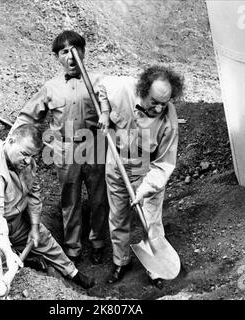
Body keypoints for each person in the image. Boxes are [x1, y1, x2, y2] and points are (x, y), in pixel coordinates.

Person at [0, 124, 95, 289]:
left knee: (43, 237)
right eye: (25, 153)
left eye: (32, 156)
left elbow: (33, 193)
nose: (28, 160)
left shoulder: (25, 161)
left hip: (12, 217)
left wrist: (34, 227)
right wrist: (9, 254)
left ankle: (72, 272)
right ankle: (23, 259)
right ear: (10, 141)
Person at [8, 30, 109, 265]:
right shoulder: (50, 87)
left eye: (76, 50)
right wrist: (13, 138)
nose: (71, 56)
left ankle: (97, 243)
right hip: (65, 150)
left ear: (84, 52)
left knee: (98, 198)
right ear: (57, 57)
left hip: (95, 146)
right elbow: (28, 115)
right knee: (69, 200)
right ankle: (72, 248)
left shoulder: (99, 82)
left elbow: (118, 107)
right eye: (65, 52)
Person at [98, 65, 184, 289]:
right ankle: (120, 261)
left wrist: (145, 189)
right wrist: (105, 113)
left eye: (163, 103)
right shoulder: (123, 88)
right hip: (116, 160)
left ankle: (155, 267)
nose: (157, 108)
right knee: (118, 215)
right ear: (143, 90)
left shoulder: (169, 122)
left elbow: (164, 164)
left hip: (147, 167)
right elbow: (101, 86)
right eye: (154, 101)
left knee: (151, 219)